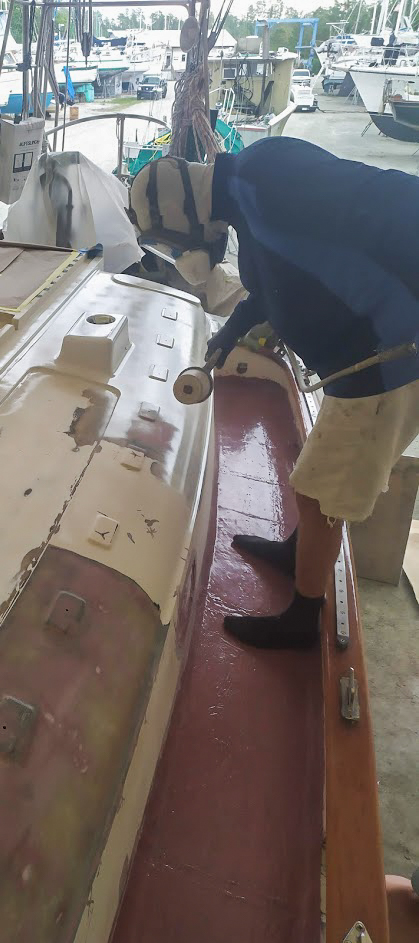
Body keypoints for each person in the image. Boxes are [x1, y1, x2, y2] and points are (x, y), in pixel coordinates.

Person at [128, 138, 419, 650]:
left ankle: (303, 619)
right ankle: (297, 552)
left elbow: (389, 201)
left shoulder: (270, 177)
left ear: (179, 212)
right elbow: (271, 284)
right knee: (315, 478)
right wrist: (230, 332)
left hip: (388, 358)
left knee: (323, 493)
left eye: (172, 240)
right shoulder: (248, 196)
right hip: (357, 358)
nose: (181, 249)